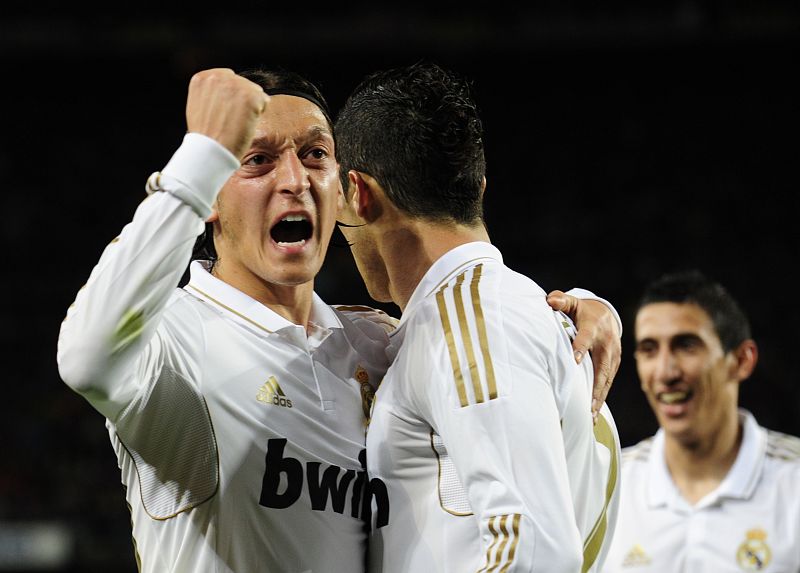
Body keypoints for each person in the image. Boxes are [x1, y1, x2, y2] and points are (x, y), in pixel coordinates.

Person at [56, 67, 622, 572]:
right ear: (210, 197)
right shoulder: (175, 342)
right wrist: (199, 158)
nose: (294, 179)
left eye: (315, 154)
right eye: (257, 160)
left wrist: (572, 313)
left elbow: (491, 333)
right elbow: (85, 357)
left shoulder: (375, 344)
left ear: (345, 190)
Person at [334, 61, 622, 573]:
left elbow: (534, 553)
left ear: (360, 193)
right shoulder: (500, 311)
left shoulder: (469, 321)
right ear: (479, 188)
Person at [603, 270, 800, 572]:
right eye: (649, 350)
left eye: (686, 345)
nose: (665, 372)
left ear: (742, 360)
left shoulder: (793, 482)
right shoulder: (609, 484)